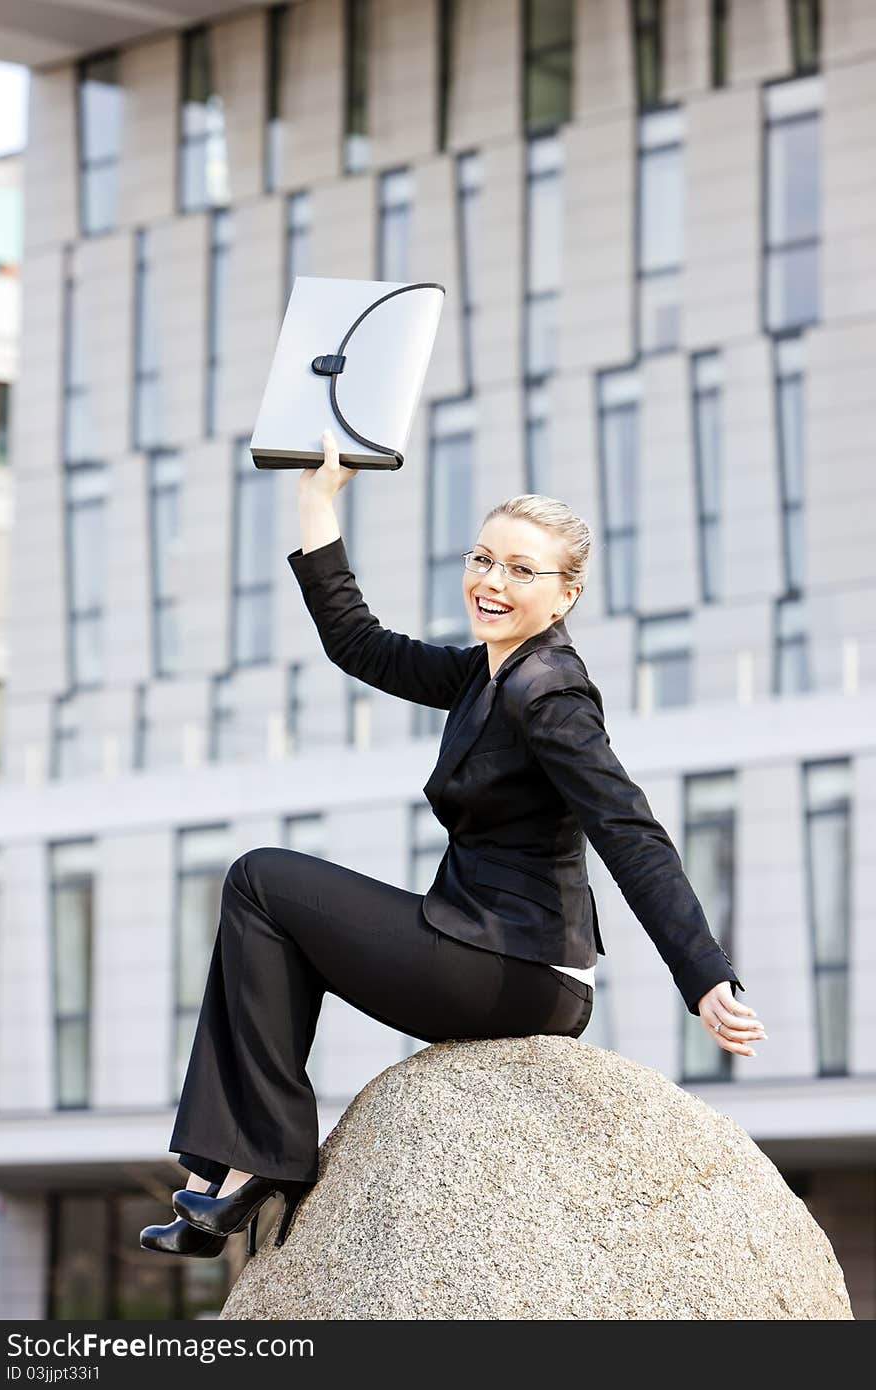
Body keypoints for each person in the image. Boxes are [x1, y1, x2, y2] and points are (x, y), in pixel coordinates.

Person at [141, 427, 766, 1259]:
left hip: (516, 968)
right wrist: (317, 505)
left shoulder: (550, 693)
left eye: (520, 570)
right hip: (480, 949)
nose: (492, 582)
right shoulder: (487, 672)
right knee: (273, 917)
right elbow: (358, 644)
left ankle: (253, 1166)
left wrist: (704, 975)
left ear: (566, 596)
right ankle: (236, 1173)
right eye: (483, 559)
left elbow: (629, 829)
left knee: (262, 881)